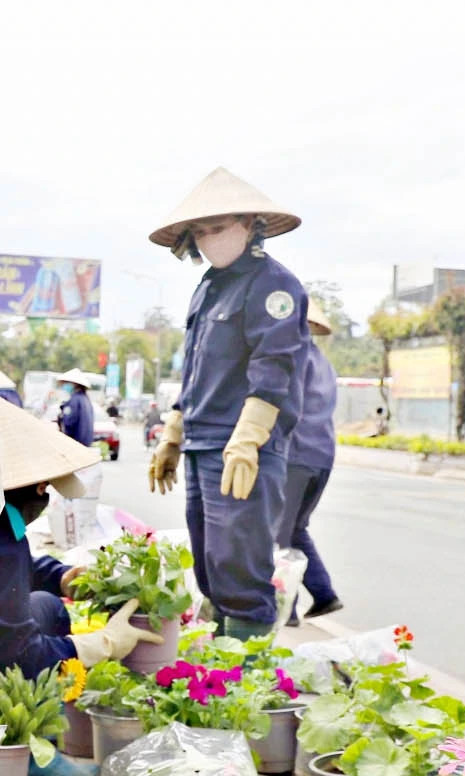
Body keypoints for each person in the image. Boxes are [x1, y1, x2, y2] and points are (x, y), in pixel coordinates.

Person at [0, 397, 162, 776]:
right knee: (47, 617)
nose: (46, 493)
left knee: (47, 603)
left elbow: (7, 574)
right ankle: (29, 752)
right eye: (45, 486)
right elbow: (22, 654)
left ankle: (27, 750)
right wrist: (101, 644)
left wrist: (66, 577)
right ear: (30, 486)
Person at [144, 167, 308, 640]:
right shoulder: (208, 287)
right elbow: (197, 372)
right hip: (202, 443)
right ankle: (216, 674)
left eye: (219, 227)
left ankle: (246, 680)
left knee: (241, 572)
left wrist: (249, 438)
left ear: (249, 223)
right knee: (212, 569)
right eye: (201, 231)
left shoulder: (274, 285)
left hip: (242, 448)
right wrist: (173, 433)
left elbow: (274, 367)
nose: (210, 239)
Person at [281, 299, 342, 625]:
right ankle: (324, 594)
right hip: (322, 457)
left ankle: (285, 609)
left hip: (296, 456)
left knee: (277, 533)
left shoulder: (290, 356)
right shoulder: (322, 362)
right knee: (294, 529)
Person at [56, 370, 99, 445]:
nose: (64, 385)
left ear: (74, 384)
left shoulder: (74, 400)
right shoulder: (86, 399)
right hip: (86, 443)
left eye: (66, 383)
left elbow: (69, 423)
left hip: (76, 443)